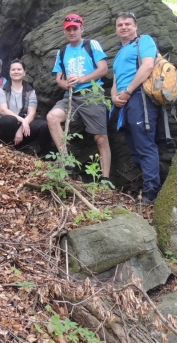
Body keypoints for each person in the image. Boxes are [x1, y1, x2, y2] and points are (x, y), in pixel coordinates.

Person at [46, 14, 111, 178]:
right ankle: (66, 161)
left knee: (101, 138)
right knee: (52, 117)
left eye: (75, 28)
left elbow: (103, 69)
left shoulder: (91, 44)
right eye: (69, 29)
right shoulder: (62, 51)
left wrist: (82, 79)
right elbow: (58, 78)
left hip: (92, 94)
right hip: (70, 96)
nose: (72, 32)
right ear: (65, 31)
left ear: (82, 29)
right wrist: (65, 84)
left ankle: (105, 179)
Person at [110, 12, 162, 202]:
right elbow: (116, 79)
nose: (123, 27)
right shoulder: (118, 53)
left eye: (127, 24)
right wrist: (114, 97)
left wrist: (129, 91)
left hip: (141, 98)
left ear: (135, 26)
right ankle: (150, 188)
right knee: (134, 149)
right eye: (120, 25)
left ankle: (151, 193)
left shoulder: (144, 41)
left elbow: (148, 66)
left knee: (145, 145)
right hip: (124, 104)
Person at [0, 59, 53, 155]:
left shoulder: (30, 91)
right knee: (10, 119)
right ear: (9, 72)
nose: (16, 72)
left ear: (24, 72)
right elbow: (3, 110)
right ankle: (5, 148)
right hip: (4, 127)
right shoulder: (2, 90)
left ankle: (44, 157)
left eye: (19, 69)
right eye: (13, 69)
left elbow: (32, 113)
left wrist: (21, 128)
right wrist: (22, 120)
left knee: (44, 125)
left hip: (22, 127)